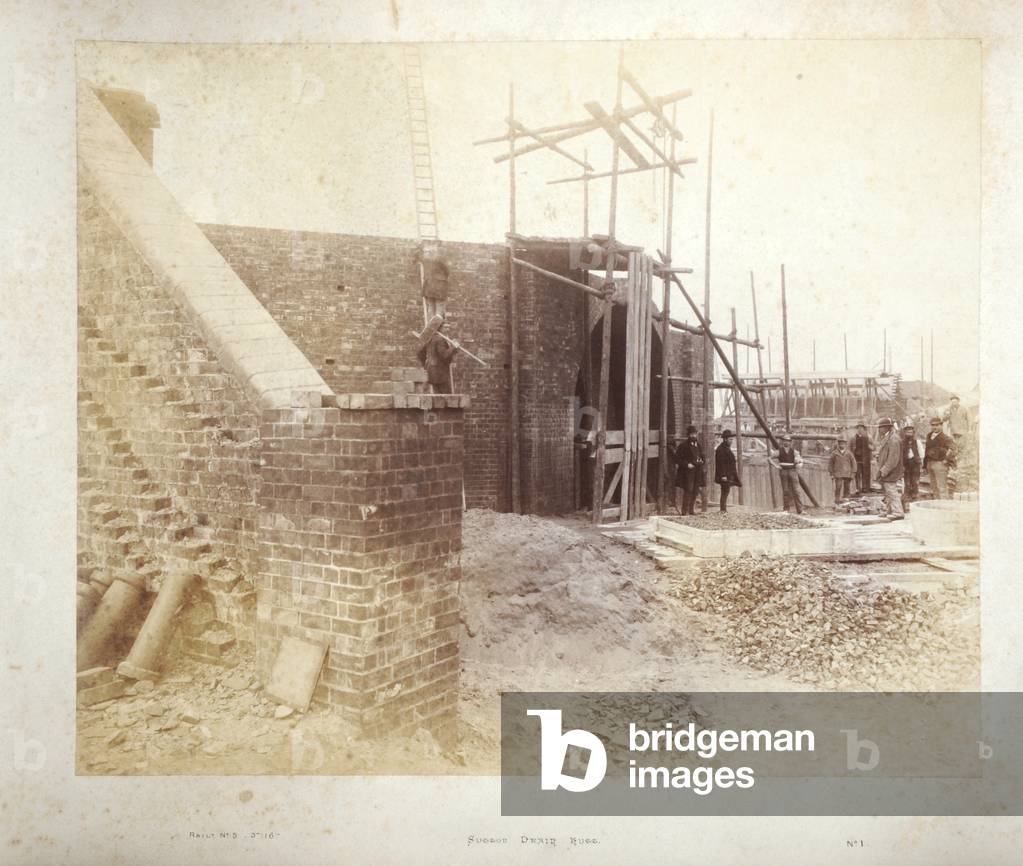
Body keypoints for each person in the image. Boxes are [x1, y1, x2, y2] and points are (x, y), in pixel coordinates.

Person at [874, 417, 904, 520]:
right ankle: (889, 510)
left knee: (891, 490)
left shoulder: (893, 439)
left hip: (892, 470)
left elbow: (893, 459)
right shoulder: (888, 438)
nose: (879, 429)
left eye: (880, 427)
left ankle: (898, 512)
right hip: (887, 469)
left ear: (886, 428)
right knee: (887, 491)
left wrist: (884, 470)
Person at [416, 324, 459, 394]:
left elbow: (420, 353)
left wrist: (427, 365)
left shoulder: (431, 338)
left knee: (438, 396)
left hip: (432, 372)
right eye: (445, 327)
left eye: (448, 327)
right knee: (447, 396)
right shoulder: (440, 339)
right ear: (439, 329)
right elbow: (444, 355)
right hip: (440, 373)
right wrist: (454, 347)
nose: (448, 329)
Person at [673, 425, 705, 516]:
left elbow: (703, 456)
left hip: (697, 471)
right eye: (692, 434)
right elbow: (677, 459)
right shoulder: (683, 446)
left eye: (695, 434)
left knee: (695, 490)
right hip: (687, 473)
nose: (693, 436)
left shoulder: (698, 445)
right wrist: (687, 464)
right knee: (688, 490)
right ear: (689, 435)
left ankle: (691, 510)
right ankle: (684, 511)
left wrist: (702, 461)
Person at [923, 415, 956, 499]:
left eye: (937, 425)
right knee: (934, 488)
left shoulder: (946, 438)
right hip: (930, 463)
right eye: (933, 425)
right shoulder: (929, 436)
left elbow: (952, 450)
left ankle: (944, 508)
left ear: (941, 425)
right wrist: (925, 465)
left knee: (942, 488)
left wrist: (945, 460)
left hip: (940, 464)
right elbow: (926, 450)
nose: (935, 427)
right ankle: (937, 506)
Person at [770, 434, 803, 514]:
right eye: (785, 441)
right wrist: (776, 466)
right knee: (785, 491)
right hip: (783, 472)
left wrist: (799, 462)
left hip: (793, 471)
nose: (786, 442)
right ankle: (786, 510)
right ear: (782, 442)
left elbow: (800, 460)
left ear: (790, 442)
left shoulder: (794, 452)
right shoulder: (778, 451)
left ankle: (800, 510)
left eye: (788, 441)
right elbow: (769, 458)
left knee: (796, 491)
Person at [417, 244, 450, 323]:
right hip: (439, 287)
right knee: (439, 306)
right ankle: (436, 326)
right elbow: (447, 271)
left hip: (429, 287)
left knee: (431, 306)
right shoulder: (439, 260)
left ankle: (430, 325)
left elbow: (418, 256)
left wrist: (419, 246)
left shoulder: (425, 260)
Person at [714, 430, 742, 513]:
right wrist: (723, 475)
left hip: (728, 474)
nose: (731, 441)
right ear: (725, 439)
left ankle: (723, 509)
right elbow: (720, 463)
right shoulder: (721, 449)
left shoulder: (726, 448)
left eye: (732, 439)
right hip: (724, 475)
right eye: (730, 439)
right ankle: (723, 509)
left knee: (726, 490)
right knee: (725, 491)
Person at [828, 438, 856, 505]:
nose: (841, 445)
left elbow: (854, 463)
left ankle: (846, 499)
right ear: (838, 444)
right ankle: (837, 499)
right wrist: (831, 473)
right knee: (838, 486)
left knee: (847, 487)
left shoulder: (849, 453)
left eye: (843, 444)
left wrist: (853, 473)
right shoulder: (834, 453)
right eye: (840, 444)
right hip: (838, 473)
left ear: (845, 445)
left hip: (847, 473)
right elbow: (830, 464)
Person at [901, 423, 922, 509]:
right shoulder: (901, 443)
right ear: (905, 433)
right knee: (906, 482)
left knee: (915, 481)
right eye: (907, 432)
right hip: (906, 464)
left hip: (915, 463)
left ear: (913, 433)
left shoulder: (917, 442)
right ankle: (907, 499)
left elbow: (921, 453)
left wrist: (921, 464)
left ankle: (915, 498)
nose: (909, 434)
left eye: (911, 432)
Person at [849, 422, 873, 494]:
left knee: (866, 474)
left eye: (861, 428)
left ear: (864, 429)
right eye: (858, 428)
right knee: (857, 474)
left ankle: (865, 488)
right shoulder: (853, 438)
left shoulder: (869, 437)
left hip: (866, 459)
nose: (859, 430)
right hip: (857, 459)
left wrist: (870, 447)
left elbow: (873, 447)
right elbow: (850, 448)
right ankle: (858, 489)